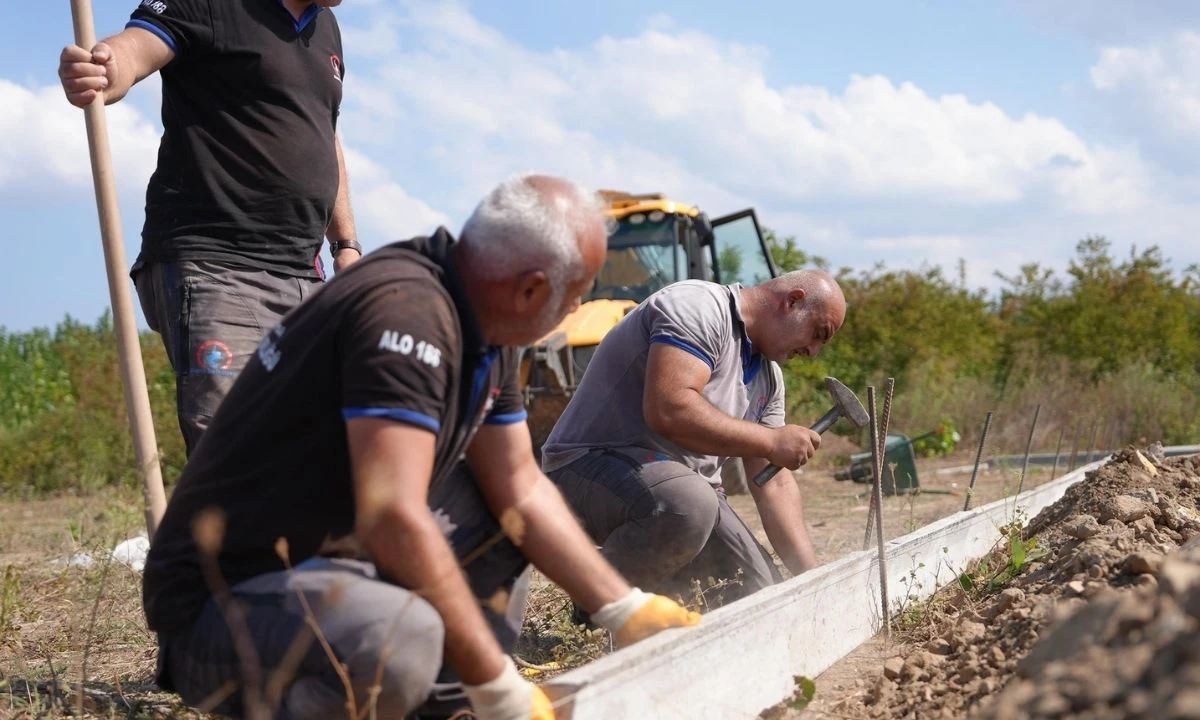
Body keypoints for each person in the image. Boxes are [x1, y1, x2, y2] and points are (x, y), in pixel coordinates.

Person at [139, 174, 702, 720]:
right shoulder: (405, 312)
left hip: (327, 572)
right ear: (530, 288)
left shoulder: (486, 322)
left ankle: (449, 704)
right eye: (576, 295)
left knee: (502, 520)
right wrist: (499, 687)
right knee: (396, 639)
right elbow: (391, 514)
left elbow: (521, 486)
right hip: (226, 607)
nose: (576, 310)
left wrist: (624, 608)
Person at [58, 0, 361, 455]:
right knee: (237, 453)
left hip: (303, 276)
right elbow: (135, 50)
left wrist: (346, 243)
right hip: (216, 267)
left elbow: (325, 132)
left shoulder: (326, 28)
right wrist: (104, 68)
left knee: (311, 454)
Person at [540, 271, 847, 606]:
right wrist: (772, 441)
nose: (814, 351)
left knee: (758, 593)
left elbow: (774, 483)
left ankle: (656, 598)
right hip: (587, 469)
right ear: (793, 302)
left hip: (684, 490)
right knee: (688, 505)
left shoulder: (768, 379)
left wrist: (813, 578)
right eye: (818, 334)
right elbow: (669, 408)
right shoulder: (700, 307)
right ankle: (596, 607)